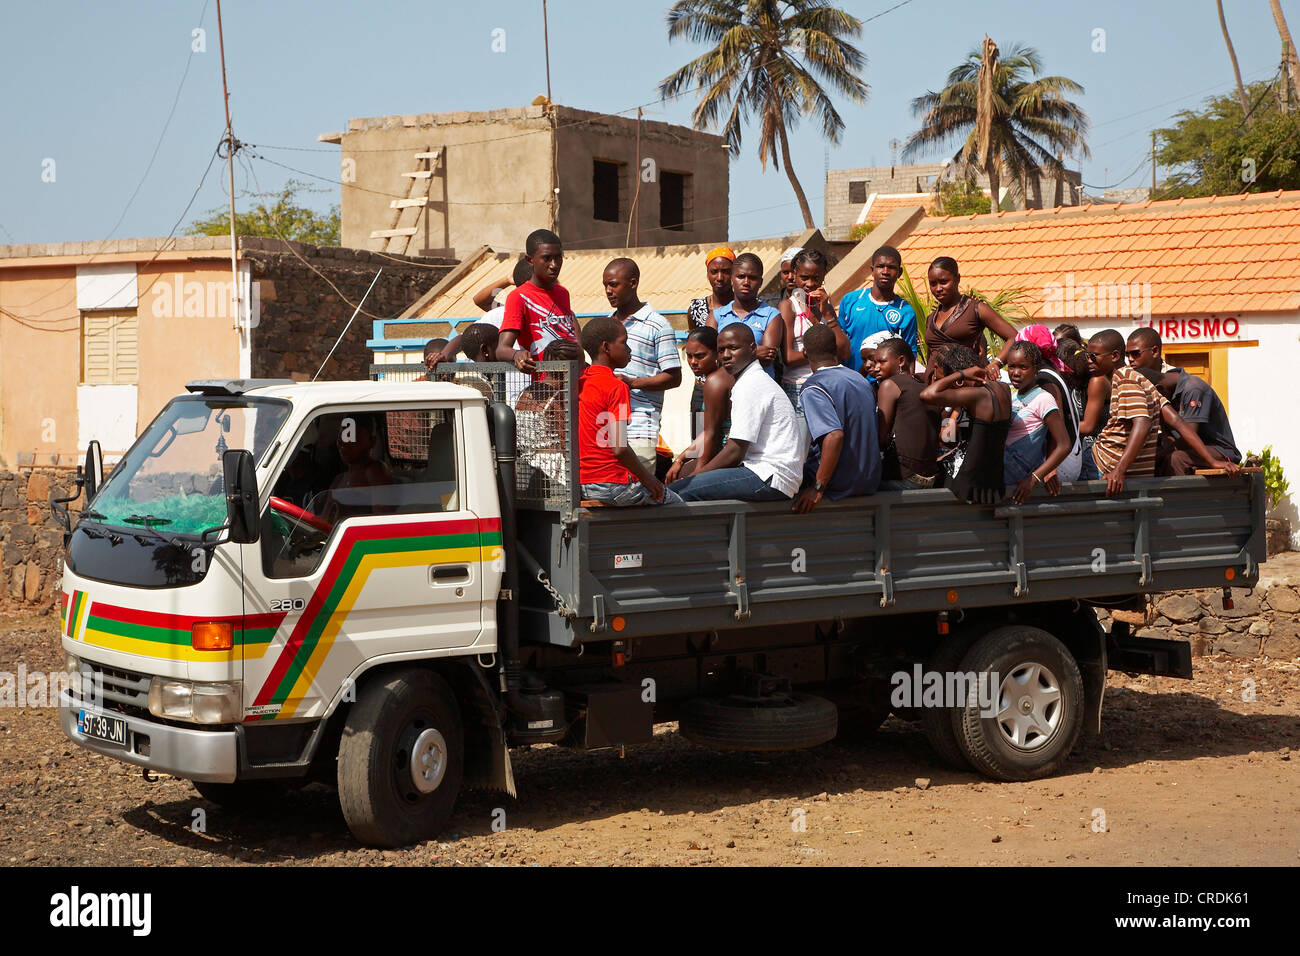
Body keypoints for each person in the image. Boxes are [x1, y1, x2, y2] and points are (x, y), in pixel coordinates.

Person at [669, 323, 807, 502]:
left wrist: (696, 477)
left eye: (733, 348)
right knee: (681, 484)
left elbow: (734, 451)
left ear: (752, 349)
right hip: (764, 471)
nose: (726, 355)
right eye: (721, 350)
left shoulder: (750, 384)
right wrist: (685, 462)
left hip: (769, 474)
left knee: (678, 491)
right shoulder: (746, 380)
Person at [576, 317, 680, 506]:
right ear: (606, 347)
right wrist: (648, 479)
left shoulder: (581, 381)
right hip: (612, 485)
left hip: (581, 483)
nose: (628, 349)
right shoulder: (617, 387)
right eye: (624, 342)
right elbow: (619, 448)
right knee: (676, 503)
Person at [601, 257, 682, 472]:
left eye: (614, 284)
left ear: (633, 283)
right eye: (605, 285)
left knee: (640, 492)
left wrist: (632, 382)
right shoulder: (606, 323)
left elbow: (674, 378)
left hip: (640, 425)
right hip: (608, 424)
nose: (608, 290)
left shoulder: (658, 325)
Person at [1124, 328, 1242, 475]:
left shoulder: (1193, 389)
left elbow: (1187, 437)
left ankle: (1179, 498)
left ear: (1159, 390)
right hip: (1190, 449)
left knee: (1176, 459)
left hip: (1218, 450)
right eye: (1127, 354)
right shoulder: (1162, 385)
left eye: (1135, 353)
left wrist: (1160, 454)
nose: (1130, 359)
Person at [792, 324, 881, 512]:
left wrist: (818, 488)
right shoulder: (860, 380)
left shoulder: (813, 387)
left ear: (805, 353)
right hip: (869, 480)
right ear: (835, 349)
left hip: (837, 483)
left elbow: (834, 436)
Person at [921, 344, 1012, 504]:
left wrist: (961, 374)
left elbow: (927, 394)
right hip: (992, 481)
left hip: (965, 483)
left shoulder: (976, 395)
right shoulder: (1003, 388)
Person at [1085, 329, 1167, 495]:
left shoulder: (1125, 378)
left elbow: (1142, 422)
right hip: (1126, 472)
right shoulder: (1138, 378)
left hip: (1103, 466)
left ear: (1114, 356)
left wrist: (1119, 470)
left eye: (1093, 356)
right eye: (1087, 356)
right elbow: (1174, 419)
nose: (1089, 361)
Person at [923, 257, 1020, 381]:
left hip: (966, 385)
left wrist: (996, 363)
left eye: (944, 282)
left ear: (957, 279)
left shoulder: (975, 309)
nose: (938, 288)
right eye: (933, 284)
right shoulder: (931, 318)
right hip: (933, 386)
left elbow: (1014, 337)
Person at [496, 228, 579, 372]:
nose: (554, 265)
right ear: (530, 260)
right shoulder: (519, 297)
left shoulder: (563, 293)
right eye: (547, 258)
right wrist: (516, 354)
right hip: (545, 386)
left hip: (572, 380)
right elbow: (501, 349)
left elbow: (571, 337)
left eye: (558, 257)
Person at [779, 249, 849, 414]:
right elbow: (788, 357)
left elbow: (844, 352)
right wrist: (823, 353)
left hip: (829, 386)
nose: (810, 284)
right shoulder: (788, 307)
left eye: (816, 278)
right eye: (804, 277)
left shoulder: (826, 307)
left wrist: (826, 313)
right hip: (799, 387)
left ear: (824, 275)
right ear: (795, 275)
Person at [1002, 341, 1071, 503]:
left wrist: (1034, 478)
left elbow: (1064, 444)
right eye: (1011, 367)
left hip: (1019, 475)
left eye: (1023, 367)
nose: (1016, 373)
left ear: (1036, 369)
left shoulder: (1044, 399)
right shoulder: (1012, 397)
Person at [432, 258, 533, 365]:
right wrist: (444, 355)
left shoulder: (551, 311)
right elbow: (466, 337)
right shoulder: (505, 312)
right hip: (519, 380)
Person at [665, 327, 733, 483]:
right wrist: (680, 460)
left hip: (725, 456)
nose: (693, 362)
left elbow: (712, 434)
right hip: (717, 453)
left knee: (679, 483)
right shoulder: (713, 378)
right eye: (689, 356)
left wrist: (697, 475)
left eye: (700, 356)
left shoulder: (717, 380)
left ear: (717, 353)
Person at [1015, 324, 1082, 482]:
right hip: (1067, 458)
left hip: (1060, 464)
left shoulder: (1044, 379)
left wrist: (1049, 468)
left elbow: (1055, 423)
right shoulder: (1050, 370)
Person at [837, 245, 920, 374]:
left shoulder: (906, 312)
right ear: (872, 270)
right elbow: (839, 343)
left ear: (900, 272)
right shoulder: (850, 300)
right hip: (851, 380)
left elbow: (910, 356)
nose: (885, 271)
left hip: (885, 386)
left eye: (891, 267)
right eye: (880, 266)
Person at [517, 339, 583, 498]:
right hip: (555, 475)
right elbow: (566, 443)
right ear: (570, 367)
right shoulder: (556, 399)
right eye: (581, 366)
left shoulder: (526, 392)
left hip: (526, 470)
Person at [874, 337, 940, 490]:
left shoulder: (889, 385)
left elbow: (881, 438)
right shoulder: (925, 387)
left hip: (902, 477)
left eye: (881, 362)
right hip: (928, 477)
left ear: (901, 360)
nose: (876, 367)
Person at [715, 252, 784, 379]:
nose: (746, 282)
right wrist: (755, 352)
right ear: (731, 279)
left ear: (761, 282)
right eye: (741, 276)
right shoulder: (717, 315)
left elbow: (767, 357)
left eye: (752, 277)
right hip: (724, 390)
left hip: (758, 388)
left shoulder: (771, 315)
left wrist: (726, 353)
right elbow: (711, 356)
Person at [687, 247, 735, 330]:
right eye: (714, 272)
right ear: (707, 274)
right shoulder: (696, 309)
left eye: (725, 271)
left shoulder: (745, 306)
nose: (719, 278)